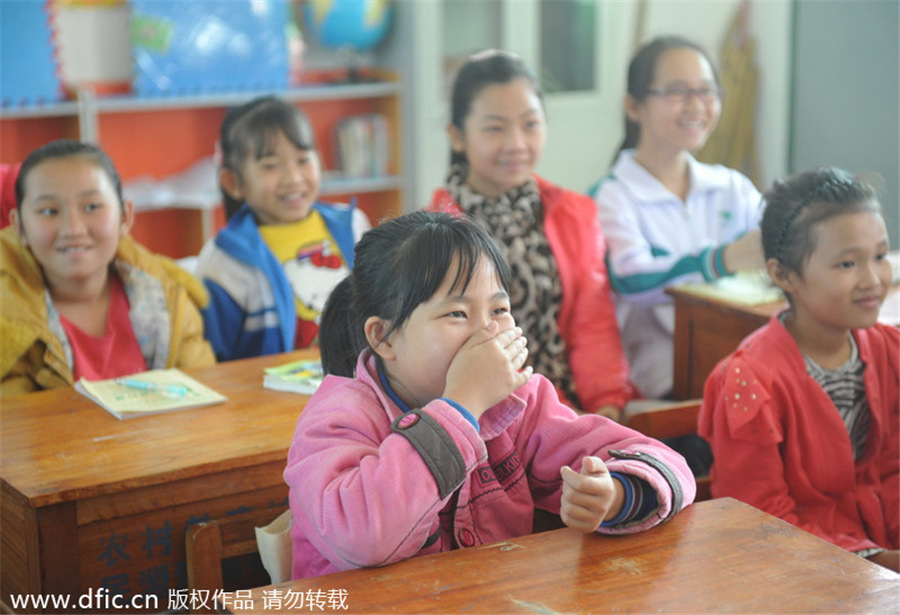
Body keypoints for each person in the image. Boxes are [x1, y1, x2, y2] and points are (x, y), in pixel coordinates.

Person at [284, 210, 695, 579]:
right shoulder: (338, 417)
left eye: (499, 310)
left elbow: (669, 464)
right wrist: (460, 405)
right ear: (384, 337)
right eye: (457, 314)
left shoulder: (517, 401)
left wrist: (617, 494)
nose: (488, 332)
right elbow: (364, 537)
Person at [698, 167, 899, 572]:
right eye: (847, 264)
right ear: (783, 274)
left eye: (879, 256)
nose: (873, 279)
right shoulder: (749, 381)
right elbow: (758, 522)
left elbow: (893, 467)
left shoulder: (888, 349)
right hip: (801, 571)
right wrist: (877, 563)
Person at [428, 49, 633, 421]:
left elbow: (593, 324)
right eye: (495, 128)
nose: (516, 143)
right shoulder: (430, 236)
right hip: (482, 417)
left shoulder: (575, 214)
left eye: (530, 124)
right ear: (457, 136)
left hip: (566, 409)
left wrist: (605, 410)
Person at [591, 36, 764, 400]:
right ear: (634, 107)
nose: (697, 105)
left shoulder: (732, 187)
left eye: (707, 91)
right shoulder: (612, 196)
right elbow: (632, 280)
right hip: (660, 388)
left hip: (741, 367)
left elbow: (779, 239)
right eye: (677, 91)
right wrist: (722, 259)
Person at [0, 139, 214, 397]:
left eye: (91, 206)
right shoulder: (8, 319)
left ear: (124, 217)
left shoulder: (168, 298)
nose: (73, 229)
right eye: (49, 211)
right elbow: (16, 426)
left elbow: (200, 394)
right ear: (20, 227)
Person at [194, 96, 370, 361]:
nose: (293, 178)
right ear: (233, 182)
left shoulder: (354, 225)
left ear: (319, 162)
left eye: (303, 160)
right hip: (273, 397)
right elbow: (212, 359)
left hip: (357, 387)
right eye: (271, 166)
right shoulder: (224, 260)